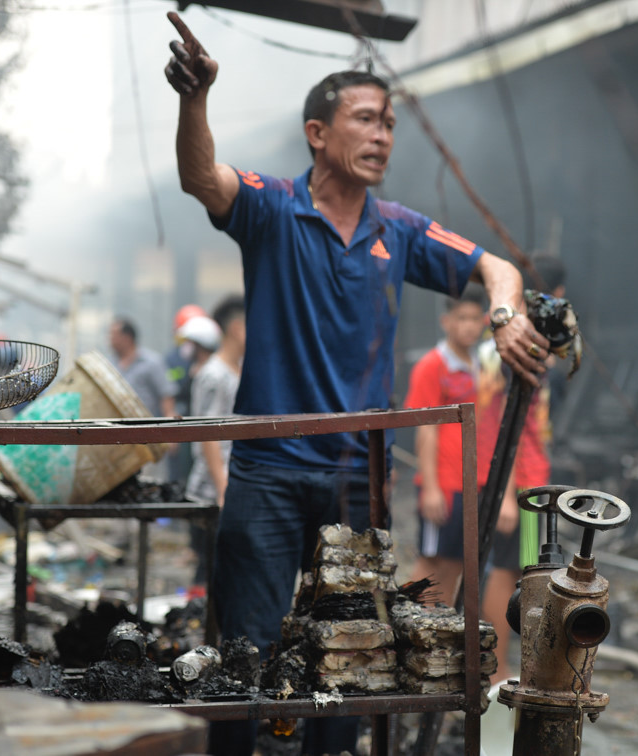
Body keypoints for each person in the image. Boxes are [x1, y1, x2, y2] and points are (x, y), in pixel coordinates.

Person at [165, 12, 550, 754]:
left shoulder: (396, 230)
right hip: (268, 469)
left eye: (388, 126)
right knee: (242, 651)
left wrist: (505, 315)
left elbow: (495, 266)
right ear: (317, 133)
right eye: (364, 120)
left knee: (352, 657)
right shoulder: (271, 207)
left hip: (355, 481)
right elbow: (197, 177)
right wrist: (195, 100)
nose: (381, 138)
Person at [477, 251, 567, 677]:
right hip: (517, 484)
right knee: (506, 574)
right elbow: (494, 422)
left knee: (526, 572)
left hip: (532, 479)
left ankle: (511, 668)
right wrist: (509, 493)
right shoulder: (505, 349)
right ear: (558, 294)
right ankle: (495, 671)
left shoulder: (522, 341)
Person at [403, 286, 516, 606]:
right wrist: (431, 488)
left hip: (477, 483)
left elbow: (497, 427)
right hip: (445, 484)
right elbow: (426, 429)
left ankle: (438, 635)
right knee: (431, 562)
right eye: (461, 318)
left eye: (473, 318)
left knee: (457, 563)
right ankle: (414, 629)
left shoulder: (488, 365)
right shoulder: (432, 365)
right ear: (446, 321)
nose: (468, 325)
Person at [185, 296, 245, 585]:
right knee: (210, 567)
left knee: (227, 567)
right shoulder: (214, 374)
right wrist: (223, 490)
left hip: (232, 482)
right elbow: (208, 433)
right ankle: (200, 626)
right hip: (213, 488)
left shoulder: (241, 369)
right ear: (237, 328)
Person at [166, 304, 209, 484]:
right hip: (181, 418)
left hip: (204, 420)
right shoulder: (173, 359)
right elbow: (169, 393)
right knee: (178, 474)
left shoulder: (211, 359)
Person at [108, 317, 177, 419]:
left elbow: (166, 394)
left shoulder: (152, 362)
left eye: (114, 335)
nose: (110, 339)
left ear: (127, 338)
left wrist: (169, 417)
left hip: (146, 426)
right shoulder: (110, 364)